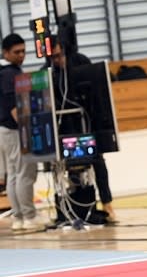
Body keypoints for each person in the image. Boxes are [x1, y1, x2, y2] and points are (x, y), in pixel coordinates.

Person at [49, 39, 117, 222]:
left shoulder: (80, 61)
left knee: (98, 162)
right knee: (68, 167)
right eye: (53, 57)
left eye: (59, 56)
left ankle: (107, 203)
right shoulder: (49, 71)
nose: (56, 60)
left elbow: (97, 85)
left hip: (87, 121)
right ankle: (75, 207)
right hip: (65, 126)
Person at [0, 33, 47, 231]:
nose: (21, 55)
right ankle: (29, 216)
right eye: (16, 52)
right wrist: (27, 129)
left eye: (23, 51)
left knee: (13, 174)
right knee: (25, 173)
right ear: (6, 53)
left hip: (4, 130)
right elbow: (13, 105)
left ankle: (18, 218)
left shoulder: (4, 72)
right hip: (14, 129)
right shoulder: (10, 74)